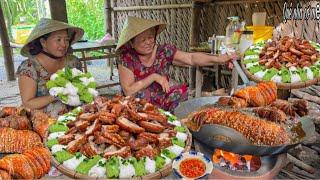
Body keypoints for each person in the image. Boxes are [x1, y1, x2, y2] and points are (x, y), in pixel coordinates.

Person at [116, 16, 237, 111]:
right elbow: (129, 90)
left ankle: (174, 122)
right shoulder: (126, 58)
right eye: (143, 40)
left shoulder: (163, 51)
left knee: (180, 93)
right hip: (138, 106)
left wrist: (218, 59)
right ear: (131, 43)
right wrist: (154, 77)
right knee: (139, 96)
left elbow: (191, 58)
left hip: (163, 101)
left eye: (151, 37)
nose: (148, 42)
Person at [16, 18, 84, 118]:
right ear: (43, 42)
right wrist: (57, 95)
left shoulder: (73, 62)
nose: (64, 44)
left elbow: (81, 88)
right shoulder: (29, 68)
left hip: (76, 117)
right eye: (58, 39)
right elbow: (28, 103)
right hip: (44, 121)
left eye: (66, 39)